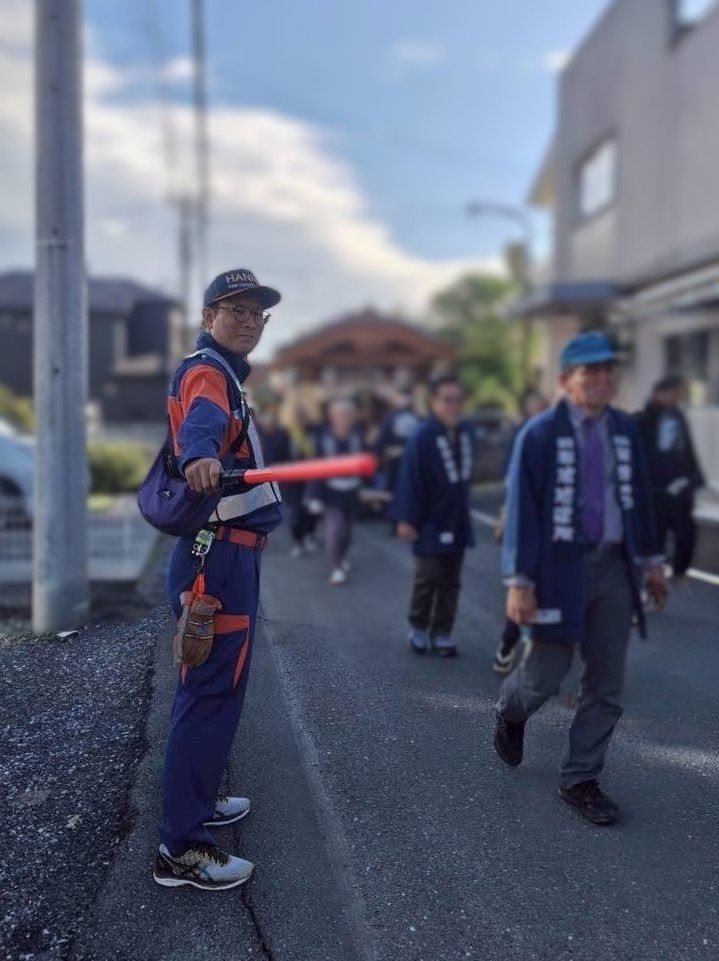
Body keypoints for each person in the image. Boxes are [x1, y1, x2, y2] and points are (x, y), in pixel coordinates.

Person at [494, 331, 667, 826]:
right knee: (545, 675)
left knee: (607, 681)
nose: (600, 379)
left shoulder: (625, 432)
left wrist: (652, 561)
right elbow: (523, 509)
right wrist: (520, 580)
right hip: (556, 571)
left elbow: (641, 500)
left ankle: (580, 779)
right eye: (589, 371)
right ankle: (510, 710)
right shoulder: (541, 434)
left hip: (614, 566)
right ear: (566, 379)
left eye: (607, 371)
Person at [153, 268, 283, 891]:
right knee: (207, 695)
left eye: (257, 311)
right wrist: (200, 456)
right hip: (217, 560)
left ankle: (197, 804)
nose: (248, 319)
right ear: (208, 318)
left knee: (218, 693)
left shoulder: (229, 376)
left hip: (228, 556)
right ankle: (181, 848)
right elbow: (200, 424)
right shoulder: (209, 371)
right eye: (233, 309)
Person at [391, 374, 476, 657]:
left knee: (452, 580)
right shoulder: (423, 435)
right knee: (428, 577)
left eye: (457, 400)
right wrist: (406, 519)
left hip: (456, 518)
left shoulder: (465, 432)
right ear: (434, 402)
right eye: (447, 400)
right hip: (428, 520)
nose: (453, 406)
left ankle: (442, 631)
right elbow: (410, 479)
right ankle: (418, 625)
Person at [493, 389, 549, 673]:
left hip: (554, 529)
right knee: (524, 586)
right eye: (535, 408)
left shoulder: (558, 436)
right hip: (527, 524)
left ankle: (533, 648)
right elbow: (512, 490)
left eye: (543, 407)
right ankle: (508, 644)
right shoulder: (523, 437)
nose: (540, 412)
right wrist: (505, 519)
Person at [635, 375, 705, 585]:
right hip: (656, 486)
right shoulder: (644, 418)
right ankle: (652, 572)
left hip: (680, 483)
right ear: (659, 393)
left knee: (686, 530)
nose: (676, 397)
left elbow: (687, 448)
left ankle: (679, 570)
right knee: (657, 530)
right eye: (672, 393)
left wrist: (695, 477)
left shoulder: (678, 416)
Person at [307, 396, 364, 585]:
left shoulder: (358, 436)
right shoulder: (323, 438)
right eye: (340, 414)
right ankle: (336, 567)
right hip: (331, 491)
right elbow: (316, 467)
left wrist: (369, 488)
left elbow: (368, 463)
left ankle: (342, 556)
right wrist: (314, 496)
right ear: (333, 416)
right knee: (335, 529)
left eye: (348, 414)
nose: (344, 417)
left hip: (353, 490)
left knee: (347, 532)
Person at [374, 388, 421, 531]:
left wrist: (378, 453)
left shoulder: (414, 416)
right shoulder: (401, 416)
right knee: (397, 490)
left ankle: (399, 520)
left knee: (400, 490)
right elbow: (382, 439)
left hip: (407, 459)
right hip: (399, 459)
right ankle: (399, 520)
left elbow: (382, 439)